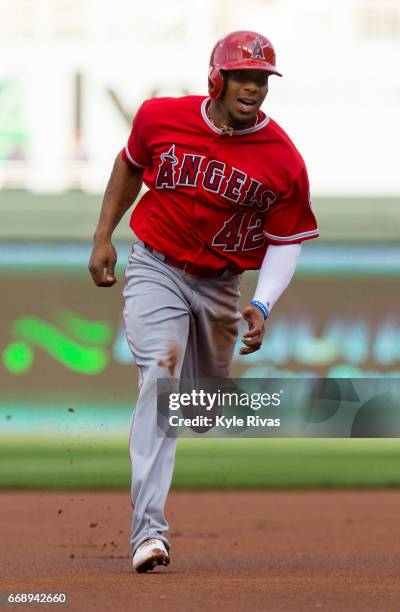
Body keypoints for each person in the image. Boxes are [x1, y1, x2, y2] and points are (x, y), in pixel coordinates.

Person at [88, 30, 319, 573]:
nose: (254, 88)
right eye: (244, 76)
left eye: (262, 79)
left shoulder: (283, 159)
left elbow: (285, 243)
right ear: (217, 77)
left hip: (220, 285)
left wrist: (261, 306)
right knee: (161, 378)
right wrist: (103, 236)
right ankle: (149, 532)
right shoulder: (160, 118)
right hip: (156, 266)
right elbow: (129, 165)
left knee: (201, 409)